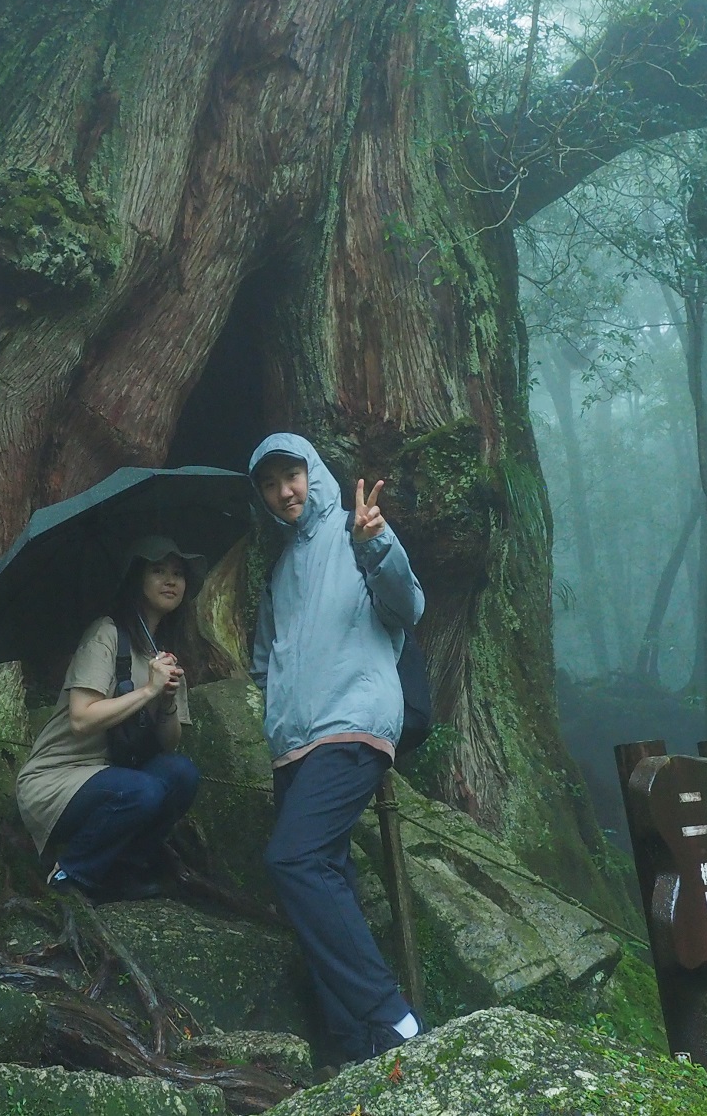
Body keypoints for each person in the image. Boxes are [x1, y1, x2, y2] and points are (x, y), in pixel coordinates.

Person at [249, 432, 425, 1062]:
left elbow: (408, 606)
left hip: (351, 722)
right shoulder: (278, 568)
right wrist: (276, 705)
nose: (282, 492)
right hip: (294, 743)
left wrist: (376, 544)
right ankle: (353, 1046)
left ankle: (393, 1015)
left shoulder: (356, 532)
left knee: (291, 860)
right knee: (327, 879)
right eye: (269, 484)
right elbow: (267, 658)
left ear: (312, 473)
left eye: (290, 476)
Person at [14, 535, 203, 902]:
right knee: (142, 790)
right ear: (137, 579)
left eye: (178, 573)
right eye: (158, 570)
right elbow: (81, 719)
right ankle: (71, 874)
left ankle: (123, 869)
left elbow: (169, 744)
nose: (170, 580)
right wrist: (147, 691)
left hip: (115, 777)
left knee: (181, 774)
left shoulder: (164, 654)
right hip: (58, 780)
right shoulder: (107, 634)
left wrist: (165, 700)